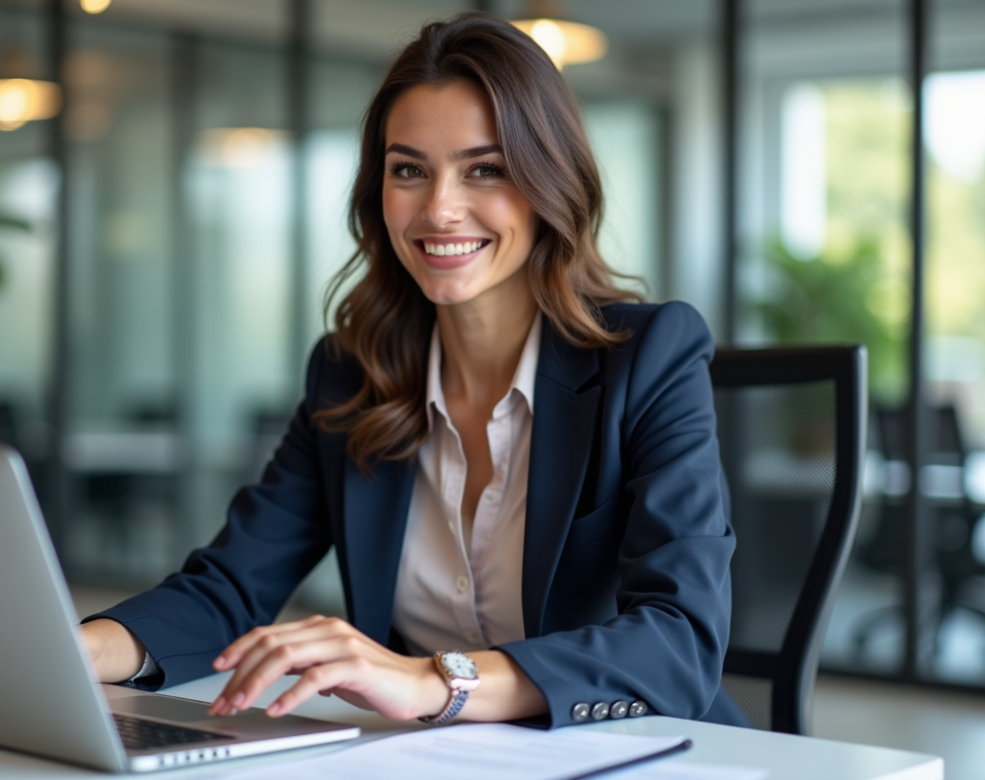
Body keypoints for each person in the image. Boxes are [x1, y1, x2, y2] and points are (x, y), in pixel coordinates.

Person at [80, 12, 743, 729]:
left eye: (485, 169)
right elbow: (230, 589)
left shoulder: (649, 356)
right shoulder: (349, 375)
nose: (439, 209)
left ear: (550, 182)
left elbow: (679, 642)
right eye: (409, 170)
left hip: (640, 749)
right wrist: (67, 649)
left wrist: (432, 681)